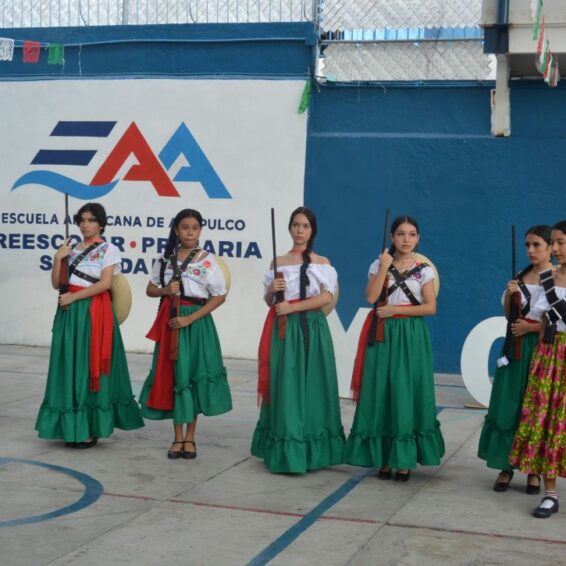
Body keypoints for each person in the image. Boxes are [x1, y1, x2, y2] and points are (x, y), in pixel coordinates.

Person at [35, 202, 144, 447]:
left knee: (89, 365)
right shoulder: (70, 250)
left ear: (101, 224)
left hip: (94, 311)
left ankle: (91, 427)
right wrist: (57, 258)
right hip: (69, 313)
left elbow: (105, 284)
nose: (86, 225)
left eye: (92, 220)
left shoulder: (108, 249)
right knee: (69, 365)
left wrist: (73, 298)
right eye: (82, 220)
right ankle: (71, 426)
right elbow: (57, 283)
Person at [345, 215, 444, 481]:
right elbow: (370, 296)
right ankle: (384, 458)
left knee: (404, 390)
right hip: (381, 333)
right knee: (381, 390)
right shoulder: (379, 264)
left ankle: (404, 460)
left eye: (411, 234)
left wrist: (396, 310)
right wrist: (384, 267)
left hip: (410, 335)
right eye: (400, 234)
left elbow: (430, 307)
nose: (406, 239)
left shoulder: (424, 270)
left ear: (418, 238)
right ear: (392, 237)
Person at [251, 206, 345, 473]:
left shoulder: (322, 262)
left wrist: (293, 307)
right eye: (296, 225)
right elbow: (270, 302)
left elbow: (326, 297)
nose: (300, 230)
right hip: (284, 329)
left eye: (305, 226)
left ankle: (314, 451)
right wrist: (271, 291)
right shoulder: (277, 262)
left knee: (315, 385)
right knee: (286, 386)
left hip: (313, 327)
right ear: (289, 228)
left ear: (312, 230)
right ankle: (287, 449)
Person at [139, 209, 231, 459]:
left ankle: (190, 437)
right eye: (185, 227)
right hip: (171, 322)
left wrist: (190, 318)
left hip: (196, 323)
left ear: (200, 230)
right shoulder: (164, 259)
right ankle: (177, 437)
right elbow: (150, 289)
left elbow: (219, 296)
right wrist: (166, 290)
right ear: (176, 230)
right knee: (175, 377)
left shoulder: (207, 261)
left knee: (192, 376)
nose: (190, 232)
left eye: (195, 228)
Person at [478, 225, 552, 494]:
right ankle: (505, 466)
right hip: (514, 346)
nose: (531, 250)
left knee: (535, 407)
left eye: (537, 245)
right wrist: (510, 295)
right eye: (527, 245)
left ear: (550, 248)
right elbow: (510, 314)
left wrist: (531, 328)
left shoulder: (557, 278)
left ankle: (534, 471)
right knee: (509, 404)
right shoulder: (520, 276)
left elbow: (559, 319)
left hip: (542, 347)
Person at [510, 220, 566, 518]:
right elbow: (543, 320)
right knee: (546, 420)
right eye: (553, 243)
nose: (554, 248)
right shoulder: (548, 278)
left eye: (560, 242)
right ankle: (550, 494)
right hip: (549, 353)